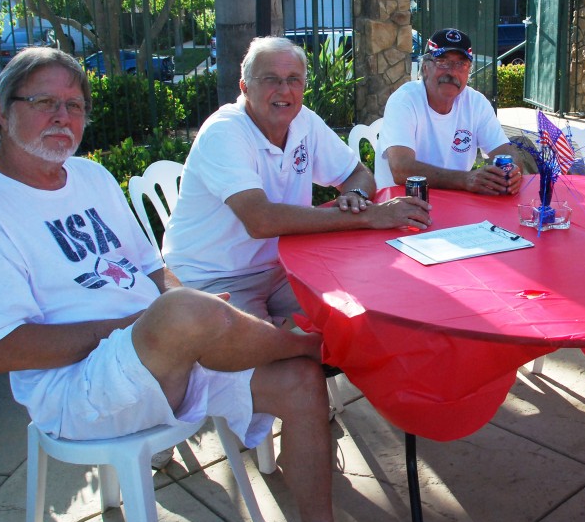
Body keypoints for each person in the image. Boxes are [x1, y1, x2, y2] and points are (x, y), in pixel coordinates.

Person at [0, 47, 338, 522]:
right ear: (2, 110)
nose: (62, 117)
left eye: (74, 105)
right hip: (77, 390)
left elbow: (154, 270)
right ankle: (315, 344)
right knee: (186, 313)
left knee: (300, 382)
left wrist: (186, 316)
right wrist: (154, 324)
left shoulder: (91, 177)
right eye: (44, 102)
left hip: (166, 358)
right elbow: (1, 351)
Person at [163, 36, 431, 324]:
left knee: (360, 313)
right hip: (213, 276)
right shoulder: (224, 132)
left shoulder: (304, 120)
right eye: (271, 79)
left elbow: (357, 174)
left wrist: (356, 197)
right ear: (244, 87)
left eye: (294, 79)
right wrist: (369, 216)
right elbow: (261, 221)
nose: (284, 89)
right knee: (279, 350)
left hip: (283, 266)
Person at [377, 28, 523, 195]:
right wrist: (465, 180)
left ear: (468, 71)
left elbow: (506, 152)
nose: (452, 72)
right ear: (425, 67)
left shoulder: (476, 102)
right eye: (442, 62)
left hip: (456, 199)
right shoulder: (404, 100)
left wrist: (512, 172)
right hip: (401, 202)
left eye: (461, 64)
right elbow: (401, 169)